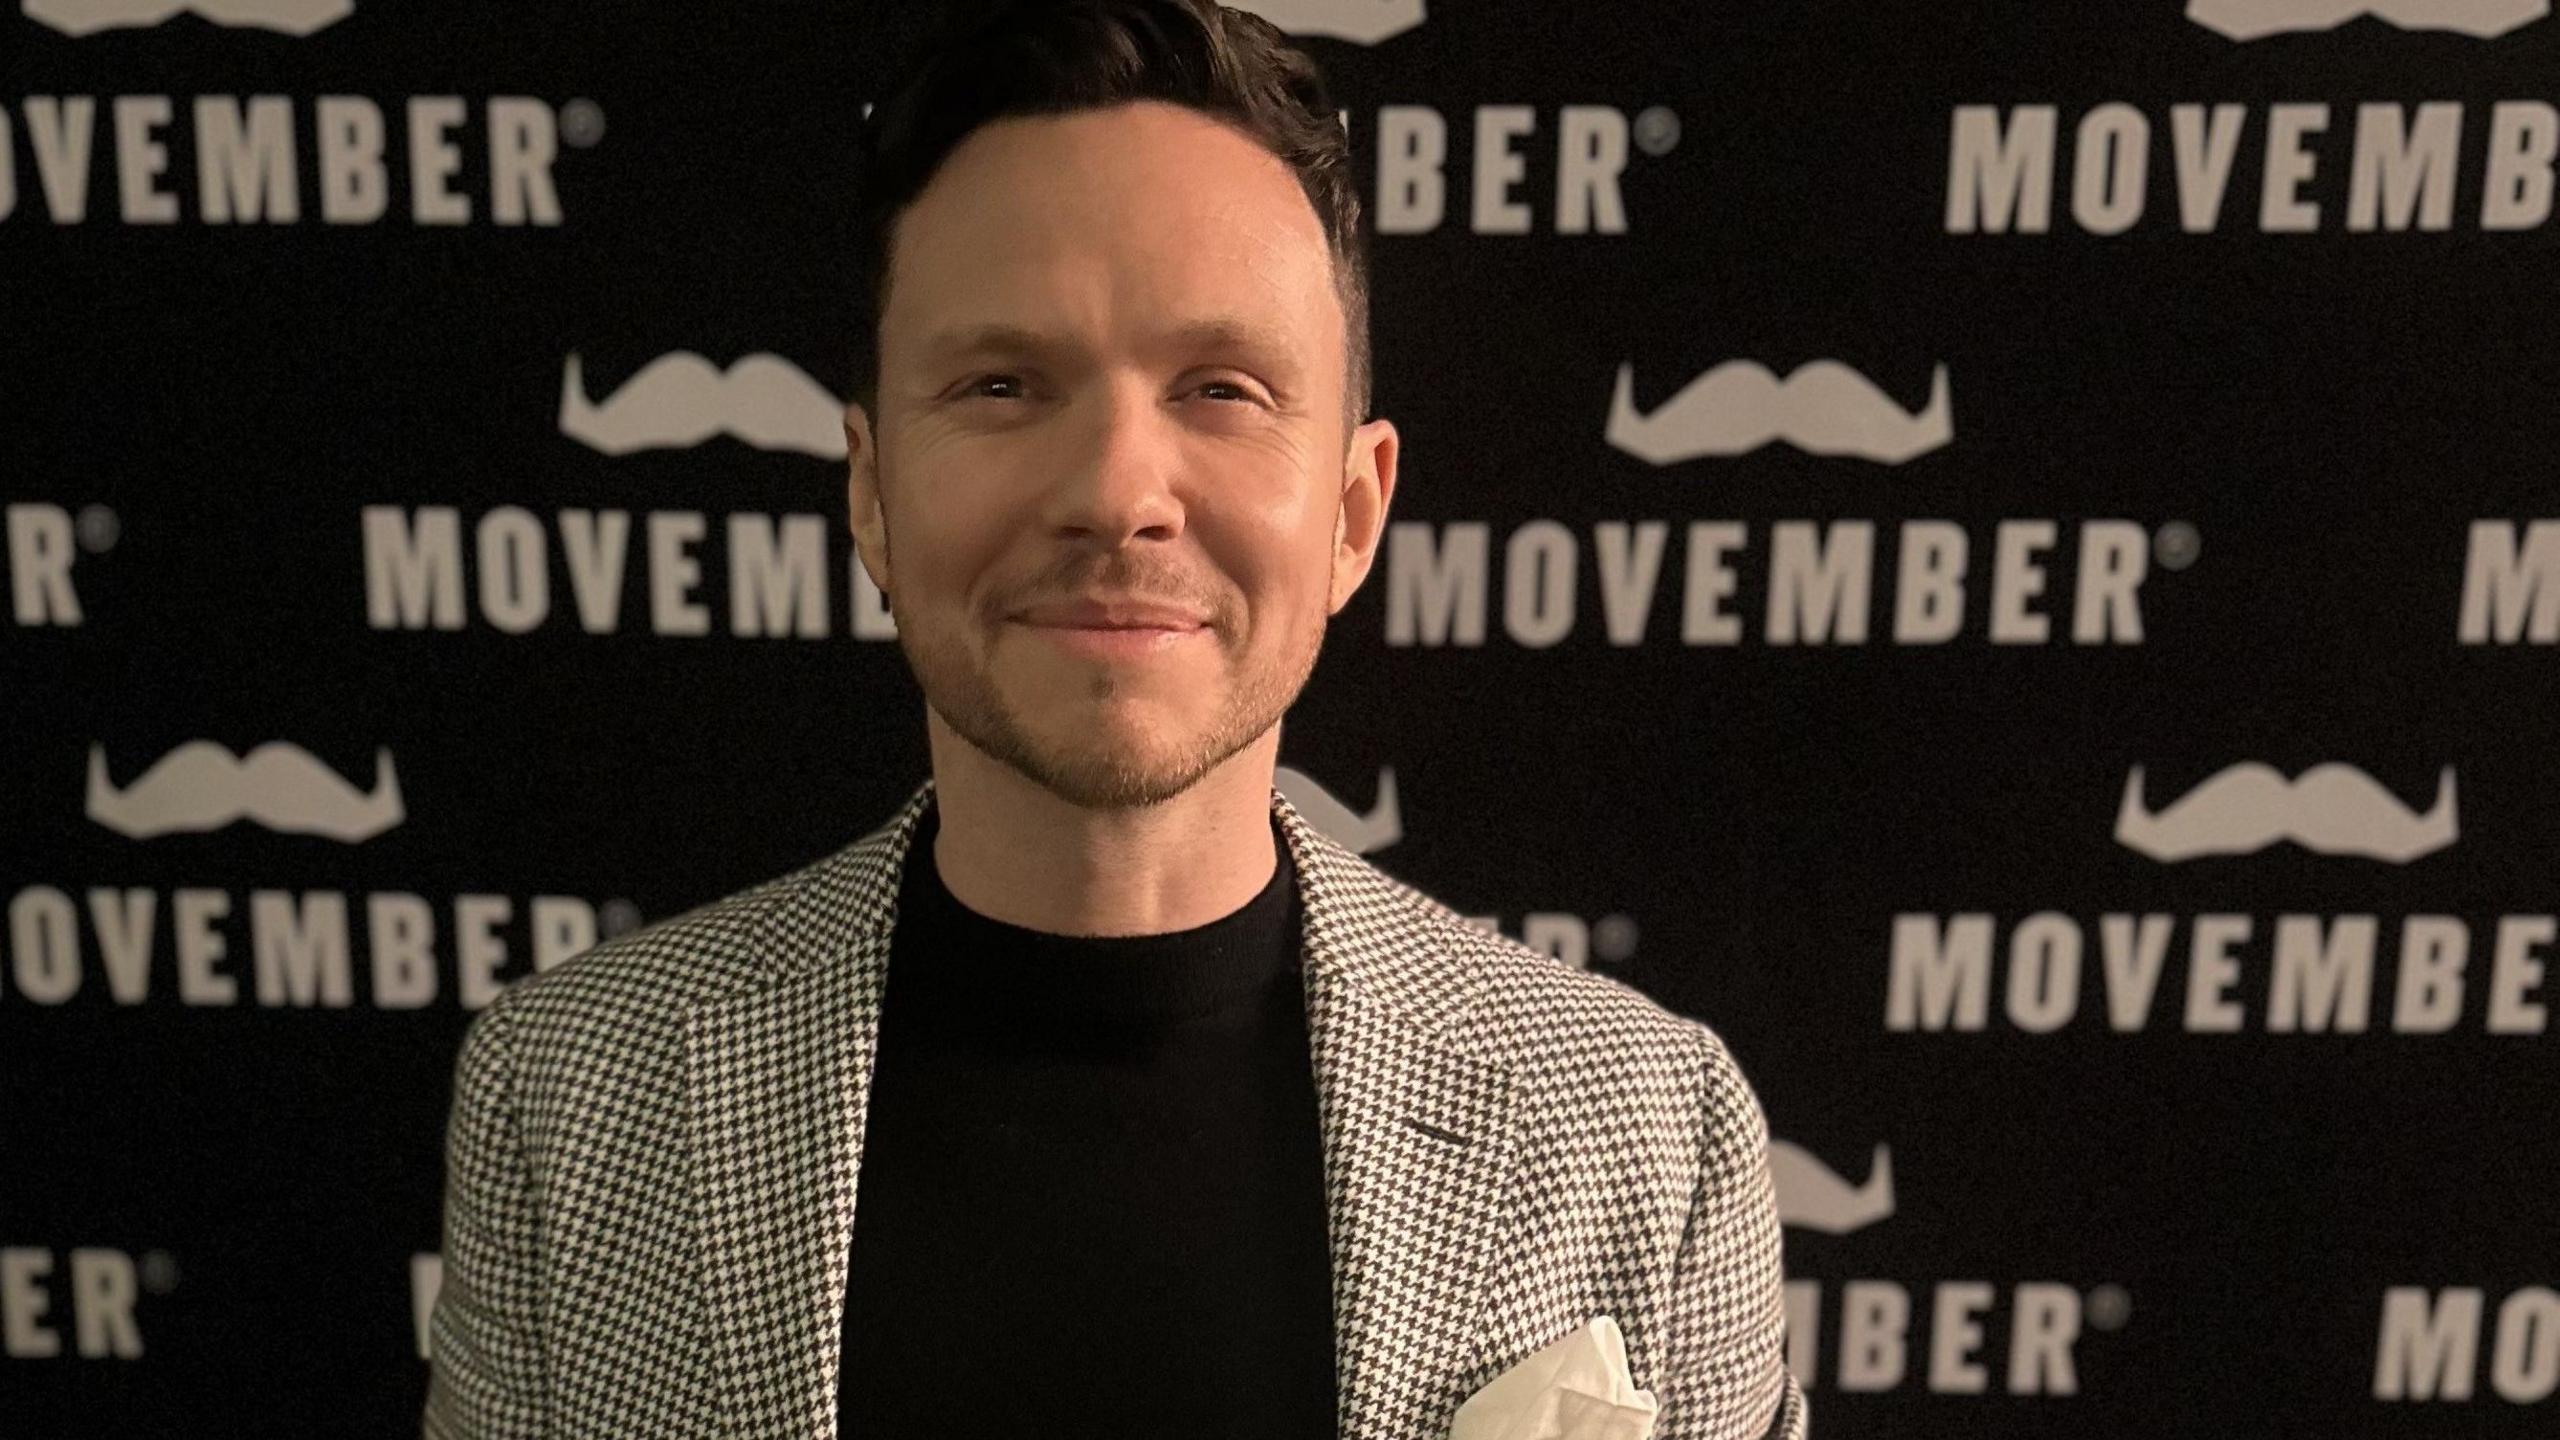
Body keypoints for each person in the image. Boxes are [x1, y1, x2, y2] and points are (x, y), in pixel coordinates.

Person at [422, 2, 1806, 1436]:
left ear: (1351, 512)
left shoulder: (1650, 1136)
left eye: (1221, 389)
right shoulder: (569, 1098)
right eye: (1003, 385)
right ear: (870, 492)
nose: (1116, 489)